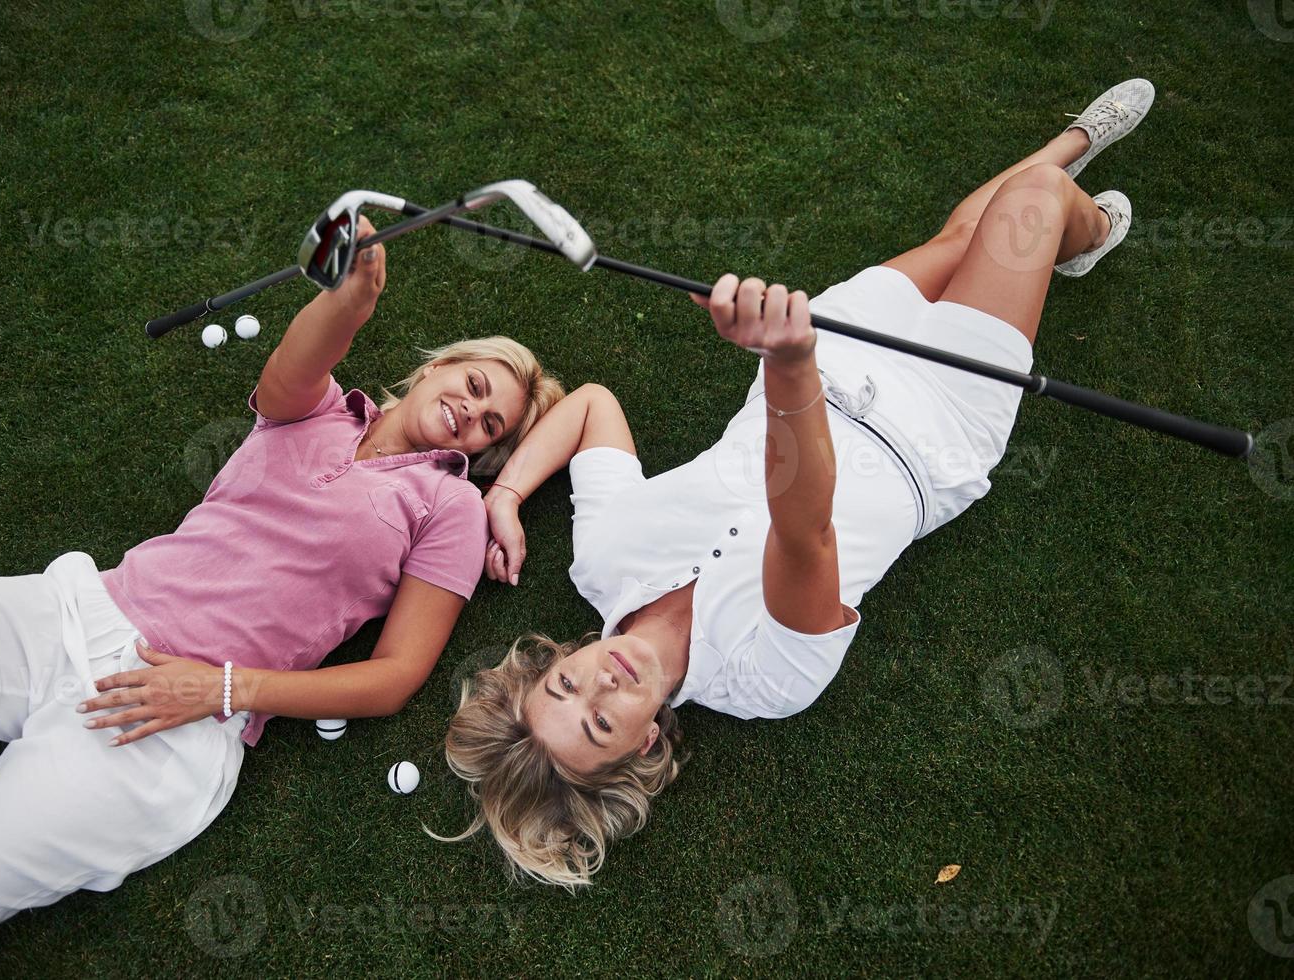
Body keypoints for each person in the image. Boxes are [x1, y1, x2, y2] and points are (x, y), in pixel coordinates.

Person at [441, 81, 1156, 888]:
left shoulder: (599, 558)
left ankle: (1073, 147)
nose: (600, 681)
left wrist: (502, 496)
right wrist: (784, 360)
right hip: (933, 424)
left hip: (834, 352)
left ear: (554, 661)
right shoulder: (765, 683)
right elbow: (803, 524)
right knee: (1030, 199)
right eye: (600, 721)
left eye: (567, 683)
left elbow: (590, 407)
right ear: (643, 743)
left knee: (963, 232)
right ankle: (1081, 223)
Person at [0, 217, 565, 974]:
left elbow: (395, 677)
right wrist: (354, 294)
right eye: (473, 386)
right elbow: (300, 357)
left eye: (490, 425)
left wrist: (224, 687)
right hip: (75, 613)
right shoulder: (318, 408)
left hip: (166, 727)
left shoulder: (450, 510)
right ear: (441, 365)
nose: (471, 413)